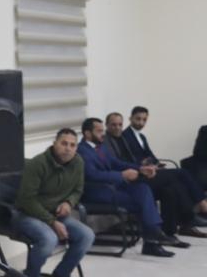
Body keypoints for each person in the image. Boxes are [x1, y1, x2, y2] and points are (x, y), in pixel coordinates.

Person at [77, 118, 177, 257]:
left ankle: (153, 235)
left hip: (112, 187)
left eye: (103, 131)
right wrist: (122, 175)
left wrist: (140, 168)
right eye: (99, 131)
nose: (103, 134)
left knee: (143, 189)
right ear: (87, 133)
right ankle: (152, 240)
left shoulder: (101, 147)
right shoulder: (81, 151)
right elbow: (92, 175)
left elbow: (116, 163)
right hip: (96, 191)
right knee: (142, 201)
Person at [14, 128, 94, 277]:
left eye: (72, 145)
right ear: (54, 144)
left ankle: (62, 273)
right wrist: (52, 222)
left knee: (87, 235)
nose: (68, 149)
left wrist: (69, 203)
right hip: (27, 214)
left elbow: (78, 189)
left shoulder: (78, 162)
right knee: (49, 238)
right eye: (64, 143)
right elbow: (26, 200)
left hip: (56, 215)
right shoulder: (38, 164)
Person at [105, 112, 204, 240]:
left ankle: (171, 231)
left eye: (120, 124)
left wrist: (147, 165)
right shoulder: (107, 141)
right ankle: (200, 205)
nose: (117, 127)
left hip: (141, 172)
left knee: (171, 188)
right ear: (107, 125)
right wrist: (140, 168)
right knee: (180, 173)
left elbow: (138, 157)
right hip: (131, 179)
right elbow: (117, 164)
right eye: (113, 125)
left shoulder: (122, 138)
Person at [123, 106, 207, 220]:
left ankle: (187, 219)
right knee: (182, 173)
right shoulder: (125, 136)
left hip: (152, 169)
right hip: (142, 173)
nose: (141, 122)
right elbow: (128, 158)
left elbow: (150, 155)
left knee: (175, 185)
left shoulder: (141, 136)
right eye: (138, 119)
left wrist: (156, 163)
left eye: (144, 120)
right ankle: (202, 204)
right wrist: (143, 164)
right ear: (130, 118)